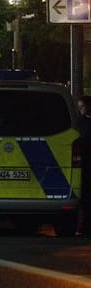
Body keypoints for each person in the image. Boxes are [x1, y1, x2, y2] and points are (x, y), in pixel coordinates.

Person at [78, 96, 91, 235]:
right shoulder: (80, 123)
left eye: (82, 107)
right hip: (83, 164)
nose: (80, 110)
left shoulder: (82, 124)